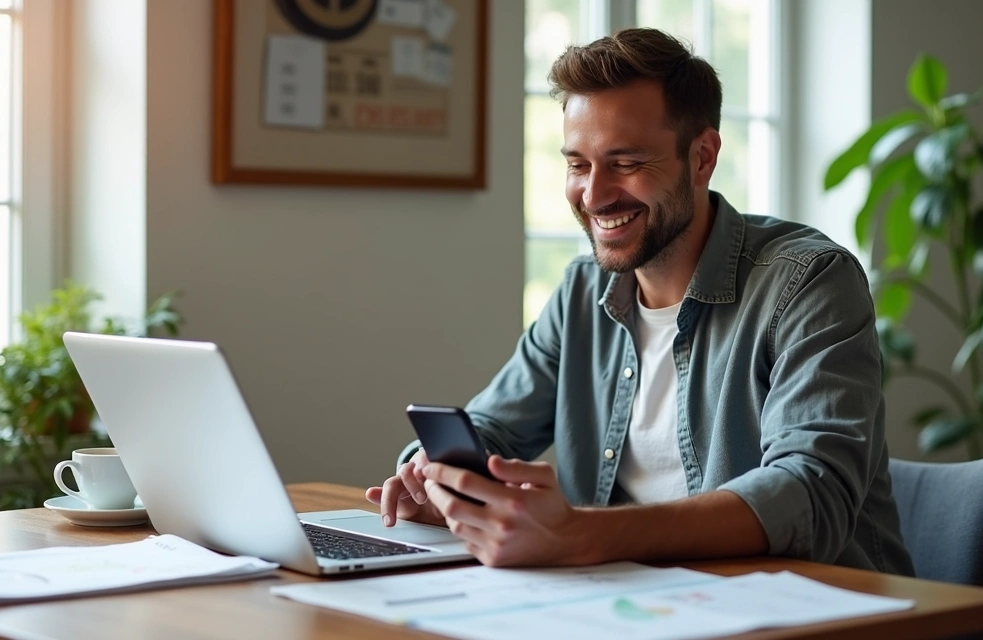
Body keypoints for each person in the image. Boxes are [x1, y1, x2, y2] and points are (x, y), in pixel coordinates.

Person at [367, 27, 914, 575]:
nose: (595, 195)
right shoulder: (583, 290)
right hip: (634, 605)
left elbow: (810, 494)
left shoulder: (809, 282)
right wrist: (434, 479)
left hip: (821, 612)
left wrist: (582, 534)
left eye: (625, 163)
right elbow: (491, 430)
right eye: (578, 164)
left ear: (702, 157)